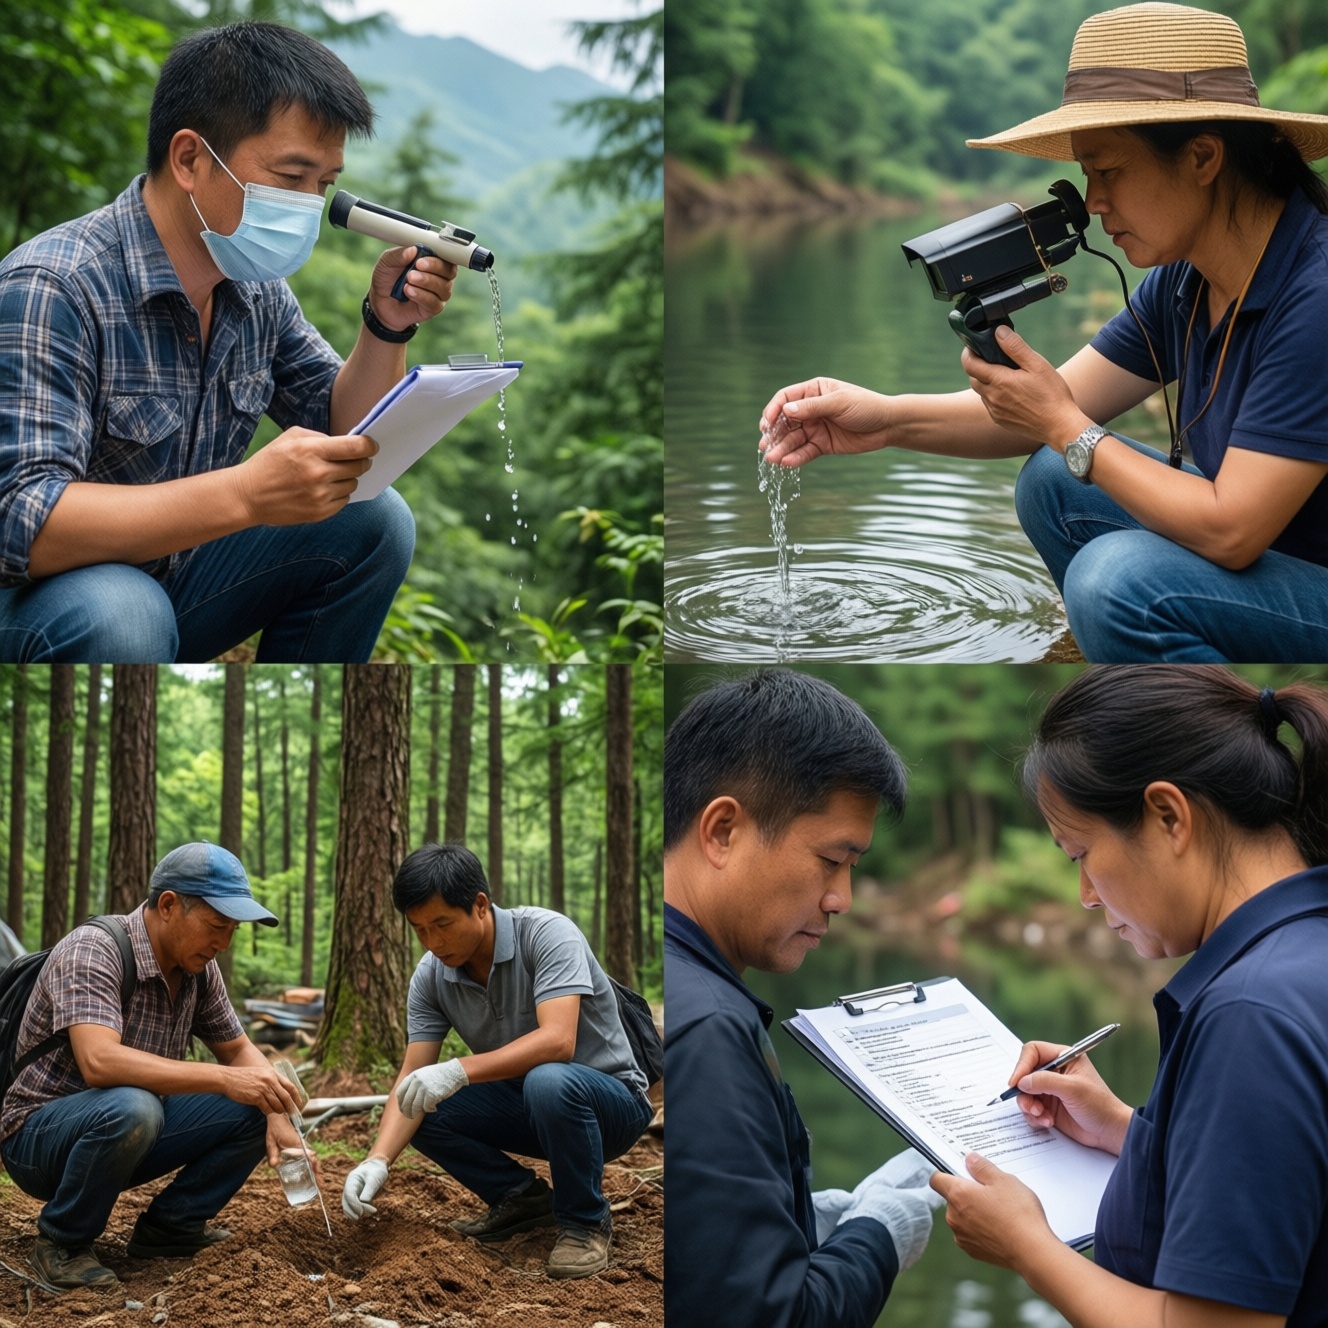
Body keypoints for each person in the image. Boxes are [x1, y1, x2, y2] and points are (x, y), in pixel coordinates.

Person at [760, 4, 1328, 664]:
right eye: (1086, 174)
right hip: (1277, 555)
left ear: (1203, 157)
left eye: (1109, 170)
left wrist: (1062, 422)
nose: (1093, 201)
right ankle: (1137, 663)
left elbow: (1231, 531)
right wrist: (884, 421)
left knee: (1114, 583)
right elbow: (1046, 414)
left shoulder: (1314, 294)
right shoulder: (1185, 282)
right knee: (1054, 479)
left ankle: (1204, 723)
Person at [0, 21, 459, 662]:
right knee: (123, 612)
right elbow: (22, 521)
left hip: (174, 585)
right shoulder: (56, 286)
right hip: (47, 606)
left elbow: (351, 438)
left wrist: (386, 325)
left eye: (323, 185)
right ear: (190, 159)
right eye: (291, 176)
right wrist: (243, 495)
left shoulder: (253, 287)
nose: (308, 205)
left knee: (374, 521)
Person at [932, 665, 1328, 1327]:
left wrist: (1027, 1247)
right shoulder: (1300, 956)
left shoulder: (1249, 1016)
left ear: (1169, 816)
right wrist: (1123, 1129)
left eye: (1080, 852)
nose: (1085, 894)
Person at [664, 668, 944, 1328]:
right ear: (723, 831)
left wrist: (797, 1220)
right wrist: (876, 1236)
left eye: (854, 867)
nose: (841, 898)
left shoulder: (687, 986)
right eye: (831, 859)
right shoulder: (707, 1027)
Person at [0, 842, 307, 1291]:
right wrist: (227, 1079)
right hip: (38, 1137)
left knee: (255, 1099)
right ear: (168, 905)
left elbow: (240, 1052)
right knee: (135, 1105)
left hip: (132, 1123)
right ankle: (62, 1243)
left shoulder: (199, 969)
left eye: (232, 931)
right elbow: (99, 1062)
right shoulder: (94, 949)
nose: (223, 943)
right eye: (216, 925)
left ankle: (171, 1227)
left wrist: (277, 1110)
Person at [340, 843, 653, 1280]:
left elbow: (558, 1041)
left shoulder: (546, 934)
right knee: (417, 1103)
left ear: (480, 906)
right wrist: (377, 1159)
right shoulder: (431, 976)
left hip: (610, 1104)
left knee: (548, 1080)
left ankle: (584, 1223)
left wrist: (457, 1070)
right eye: (420, 930)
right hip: (531, 1103)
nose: (433, 942)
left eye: (443, 924)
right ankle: (520, 1198)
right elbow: (410, 1076)